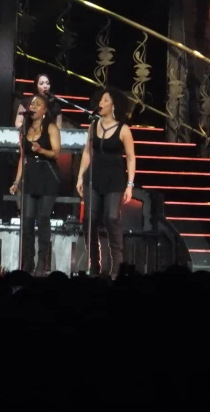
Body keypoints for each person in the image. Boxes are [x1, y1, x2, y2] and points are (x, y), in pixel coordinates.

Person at [76, 88, 136, 278]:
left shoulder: (123, 129)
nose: (101, 104)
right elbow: (87, 152)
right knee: (90, 220)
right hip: (94, 177)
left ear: (113, 105)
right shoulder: (93, 126)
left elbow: (131, 158)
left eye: (105, 100)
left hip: (115, 179)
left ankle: (117, 267)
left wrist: (130, 184)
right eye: (100, 100)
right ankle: (94, 265)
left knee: (111, 218)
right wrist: (80, 176)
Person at [9, 94, 61, 276]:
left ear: (44, 110)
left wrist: (41, 150)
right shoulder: (24, 129)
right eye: (32, 103)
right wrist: (16, 182)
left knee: (43, 219)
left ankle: (41, 263)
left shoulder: (51, 128)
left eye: (38, 104)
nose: (33, 106)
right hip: (30, 176)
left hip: (47, 175)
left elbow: (56, 153)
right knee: (28, 220)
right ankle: (28, 263)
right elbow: (23, 158)